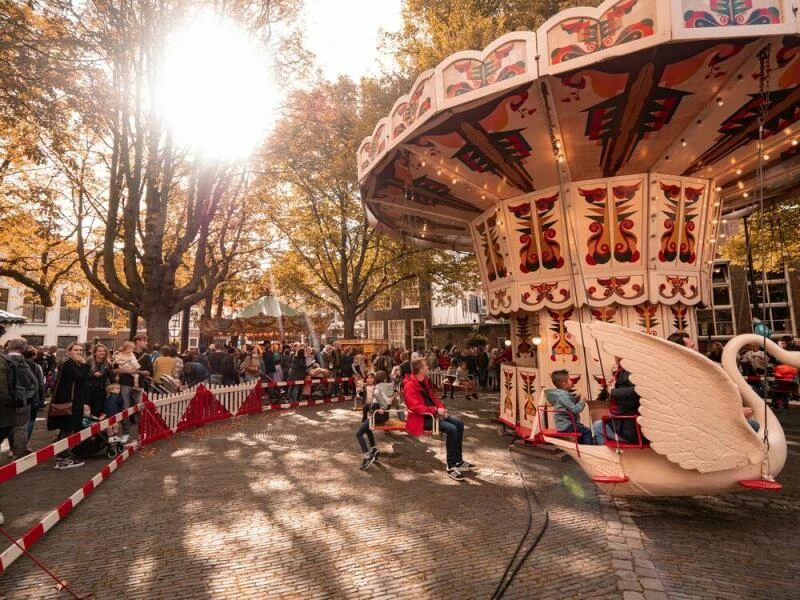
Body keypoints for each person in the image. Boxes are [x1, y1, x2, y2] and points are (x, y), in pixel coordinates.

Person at [668, 332, 761, 432]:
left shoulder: (691, 370)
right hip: (706, 423)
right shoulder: (688, 375)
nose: (696, 349)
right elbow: (704, 406)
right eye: (692, 347)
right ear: (681, 350)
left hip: (709, 417)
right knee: (754, 425)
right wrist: (737, 413)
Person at [403, 358, 475, 481]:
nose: (428, 368)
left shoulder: (424, 381)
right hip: (421, 419)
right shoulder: (410, 385)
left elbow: (433, 397)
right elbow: (414, 407)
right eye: (426, 366)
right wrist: (436, 411)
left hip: (432, 415)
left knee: (459, 424)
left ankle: (458, 460)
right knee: (452, 429)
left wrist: (442, 409)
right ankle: (451, 466)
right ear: (420, 369)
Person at [47, 342, 89, 469]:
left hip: (74, 402)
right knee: (66, 429)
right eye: (76, 350)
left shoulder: (73, 364)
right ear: (69, 351)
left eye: (81, 350)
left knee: (68, 429)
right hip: (68, 403)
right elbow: (81, 376)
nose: (79, 352)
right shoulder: (68, 363)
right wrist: (84, 364)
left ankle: (64, 454)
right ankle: (62, 458)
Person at [2, 339, 38, 458]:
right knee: (21, 428)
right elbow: (34, 382)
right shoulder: (28, 363)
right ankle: (19, 455)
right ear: (23, 349)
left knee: (8, 427)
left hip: (5, 402)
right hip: (22, 401)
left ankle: (12, 450)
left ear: (8, 347)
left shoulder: (3, 360)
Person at [354, 371, 394, 470]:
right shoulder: (389, 387)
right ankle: (374, 449)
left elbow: (382, 401)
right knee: (367, 429)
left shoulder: (378, 389)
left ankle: (367, 456)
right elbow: (392, 400)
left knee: (358, 434)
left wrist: (383, 408)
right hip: (380, 416)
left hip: (377, 416)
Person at [545, 369, 593, 444]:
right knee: (587, 431)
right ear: (564, 383)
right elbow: (575, 410)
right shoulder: (563, 396)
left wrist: (576, 399)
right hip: (566, 425)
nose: (572, 382)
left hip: (563, 424)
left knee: (581, 429)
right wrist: (582, 400)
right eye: (570, 380)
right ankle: (589, 450)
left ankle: (581, 447)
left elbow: (568, 405)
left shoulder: (560, 394)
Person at [87, 344, 113, 418]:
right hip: (89, 390)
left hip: (101, 391)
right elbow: (83, 376)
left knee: (98, 411)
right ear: (95, 352)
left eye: (104, 351)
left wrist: (112, 387)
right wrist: (94, 375)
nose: (102, 353)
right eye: (100, 351)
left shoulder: (107, 364)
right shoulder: (88, 362)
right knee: (87, 412)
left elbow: (111, 377)